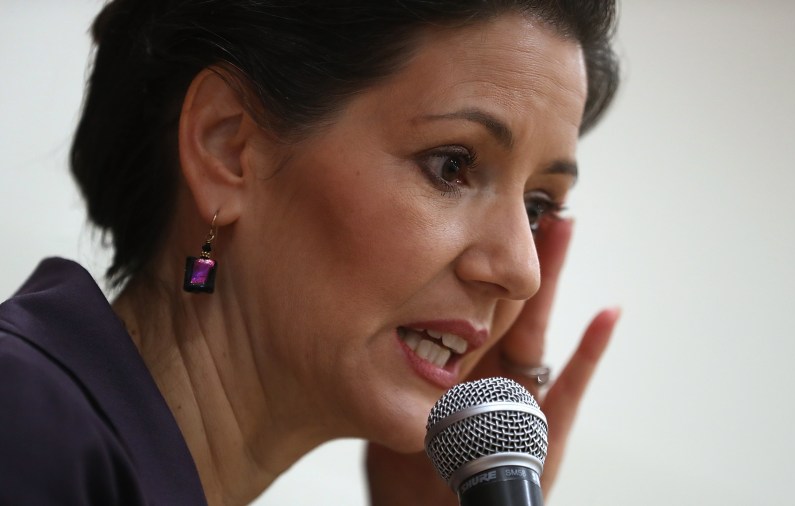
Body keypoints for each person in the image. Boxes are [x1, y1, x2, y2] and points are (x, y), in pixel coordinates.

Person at [0, 0, 620, 504]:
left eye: (538, 206)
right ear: (228, 148)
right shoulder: (24, 424)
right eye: (451, 165)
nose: (520, 270)